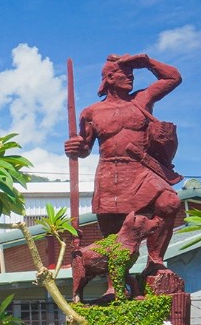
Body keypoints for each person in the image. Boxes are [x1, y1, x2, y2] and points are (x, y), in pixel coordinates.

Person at [64, 53, 182, 277]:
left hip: (141, 168)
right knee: (114, 234)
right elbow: (85, 149)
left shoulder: (141, 101)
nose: (131, 79)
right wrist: (74, 147)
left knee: (170, 202)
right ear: (109, 77)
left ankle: (155, 262)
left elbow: (173, 78)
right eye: (125, 74)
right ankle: (115, 285)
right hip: (110, 173)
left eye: (132, 75)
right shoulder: (91, 112)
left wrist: (146, 62)